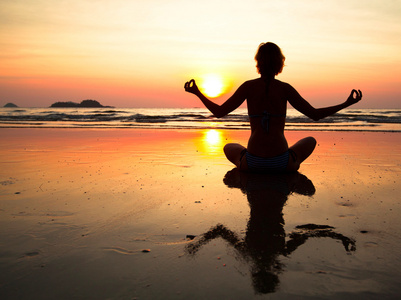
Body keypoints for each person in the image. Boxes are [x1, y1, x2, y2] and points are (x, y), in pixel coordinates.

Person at [184, 42, 362, 172]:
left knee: (228, 146)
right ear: (280, 63)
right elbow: (315, 114)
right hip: (282, 163)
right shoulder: (285, 89)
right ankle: (292, 161)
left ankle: (244, 162)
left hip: (252, 163)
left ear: (258, 63)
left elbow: (219, 112)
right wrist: (346, 103)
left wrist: (198, 92)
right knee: (310, 141)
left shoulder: (248, 86)